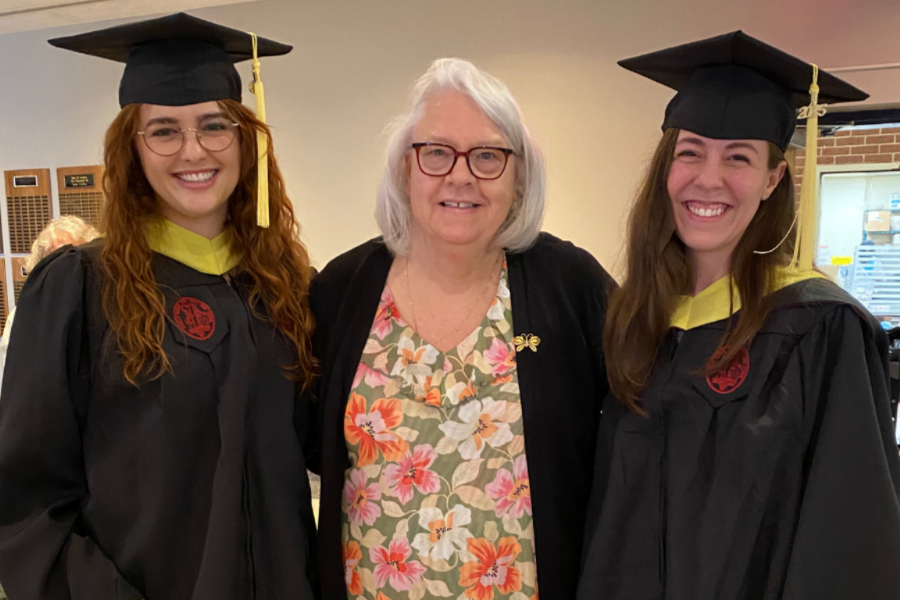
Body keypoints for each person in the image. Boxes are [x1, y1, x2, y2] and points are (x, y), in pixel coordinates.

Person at [0, 13, 319, 600]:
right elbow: (27, 502)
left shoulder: (287, 288)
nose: (192, 150)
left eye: (214, 125)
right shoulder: (79, 290)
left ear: (247, 139)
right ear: (134, 149)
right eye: (164, 130)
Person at [577, 31, 900, 599]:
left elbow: (850, 532)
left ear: (774, 180)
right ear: (666, 170)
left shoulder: (819, 327)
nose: (709, 178)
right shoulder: (635, 316)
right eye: (691, 152)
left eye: (739, 158)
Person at [310, 58, 615, 600]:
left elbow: (635, 433)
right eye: (436, 152)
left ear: (518, 177)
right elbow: (308, 445)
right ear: (405, 169)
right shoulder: (344, 289)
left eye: (488, 156)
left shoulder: (571, 286)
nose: (460, 175)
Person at [0, 215, 99, 398]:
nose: (69, 271)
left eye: (77, 261)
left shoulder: (105, 311)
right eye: (58, 263)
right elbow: (11, 384)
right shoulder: (21, 317)